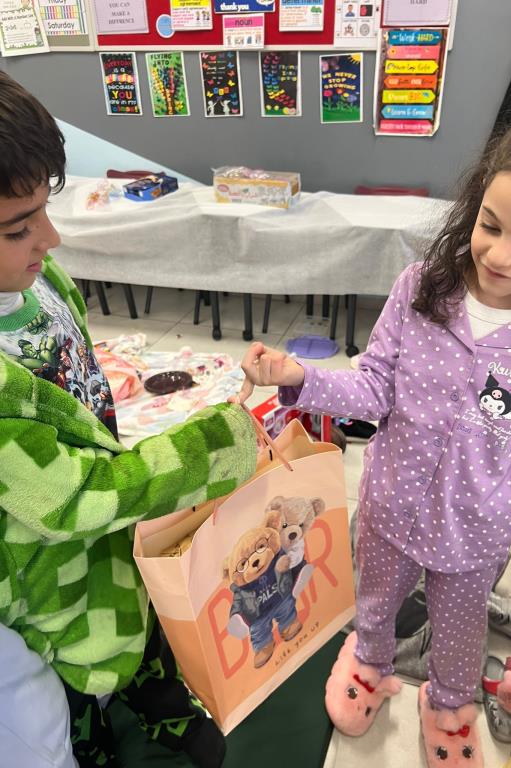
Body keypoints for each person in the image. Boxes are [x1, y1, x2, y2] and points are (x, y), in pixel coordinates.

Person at [234, 103, 511, 767]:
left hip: (476, 528)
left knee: (458, 632)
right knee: (374, 603)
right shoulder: (421, 289)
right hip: (389, 505)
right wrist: (299, 375)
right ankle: (368, 665)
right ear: (474, 204)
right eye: (490, 225)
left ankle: (448, 705)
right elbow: (372, 390)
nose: (500, 255)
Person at [0, 70, 257, 767]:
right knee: (79, 667)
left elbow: (82, 395)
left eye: (43, 211)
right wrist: (214, 446)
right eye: (19, 227)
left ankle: (162, 705)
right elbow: (73, 497)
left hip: (114, 524)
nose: (51, 237)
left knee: (141, 620)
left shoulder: (39, 282)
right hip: (48, 572)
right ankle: (93, 741)